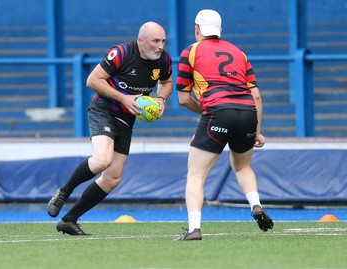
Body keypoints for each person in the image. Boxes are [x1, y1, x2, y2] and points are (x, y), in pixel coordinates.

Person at [46, 21, 173, 236]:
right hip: (104, 109)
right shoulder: (121, 53)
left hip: (127, 118)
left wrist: (160, 99)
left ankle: (69, 220)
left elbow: (167, 81)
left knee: (113, 178)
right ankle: (64, 191)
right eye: (155, 41)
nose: (160, 46)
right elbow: (92, 80)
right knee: (102, 160)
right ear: (141, 40)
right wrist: (124, 98)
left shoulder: (163, 59)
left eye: (163, 41)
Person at [175, 9, 273, 240]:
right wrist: (256, 131)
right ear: (220, 31)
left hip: (218, 112)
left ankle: (194, 229)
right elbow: (256, 95)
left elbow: (184, 99)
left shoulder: (190, 51)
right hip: (248, 112)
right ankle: (256, 205)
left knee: (196, 175)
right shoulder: (239, 53)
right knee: (242, 166)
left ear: (197, 29)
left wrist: (213, 110)